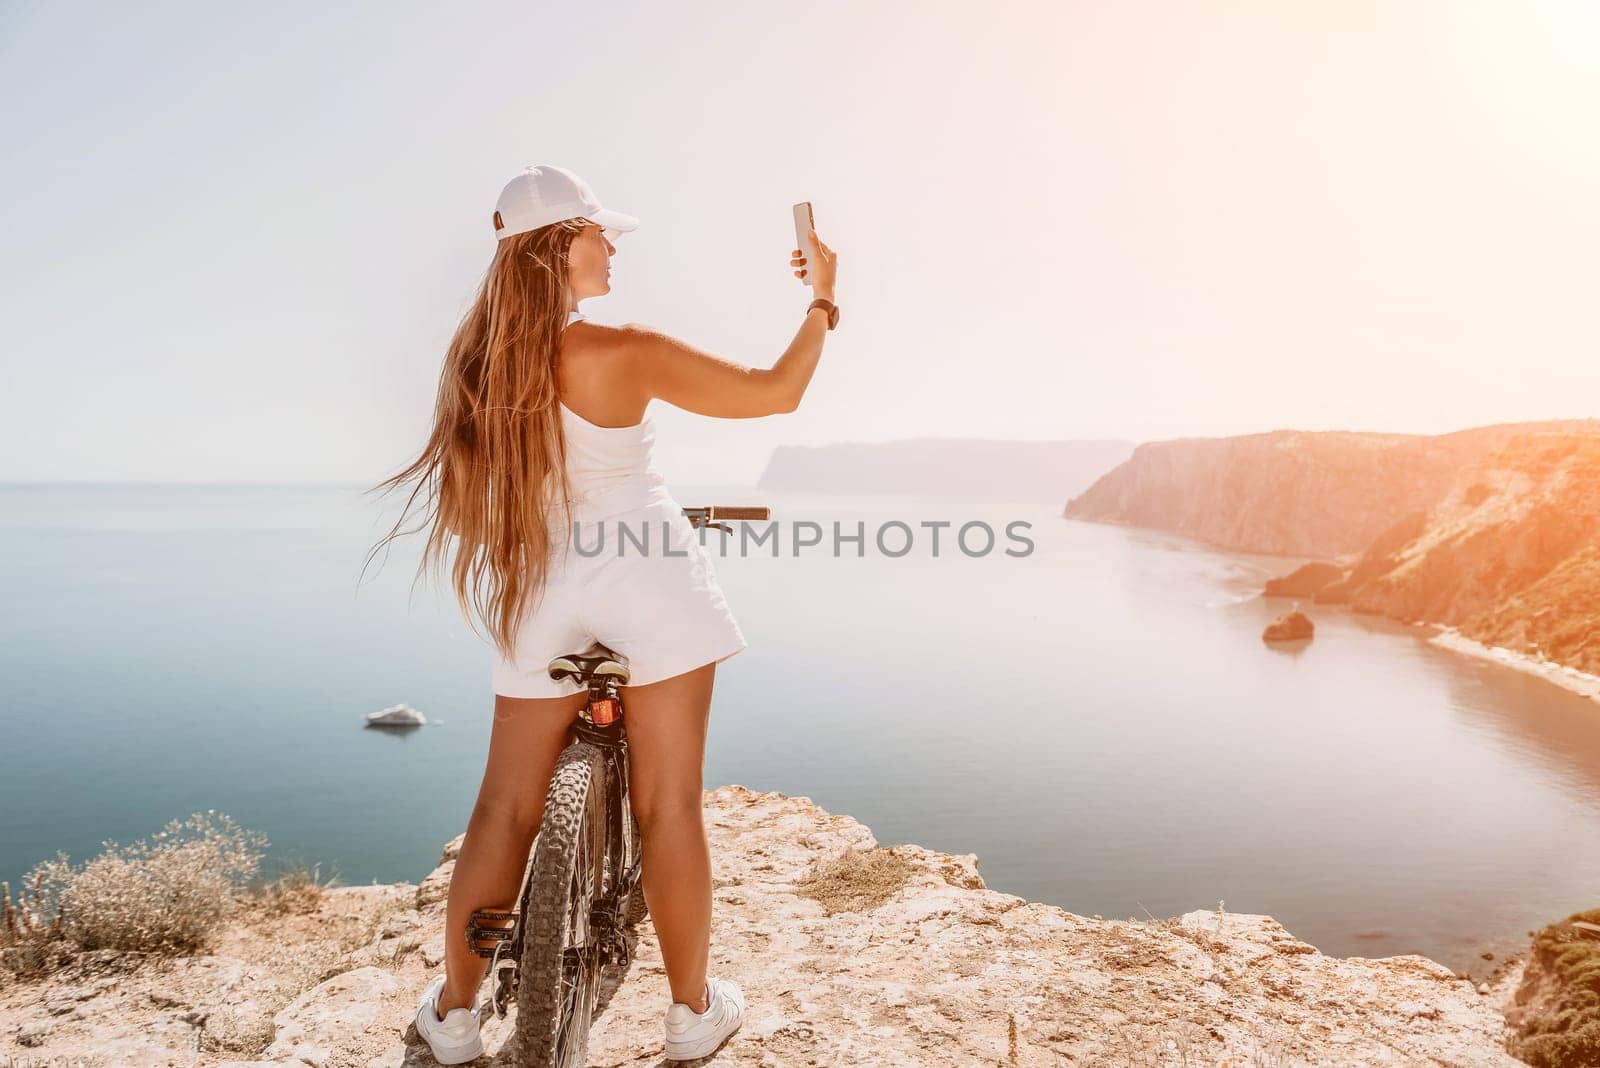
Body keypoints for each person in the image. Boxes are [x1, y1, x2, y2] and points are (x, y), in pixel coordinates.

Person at [364, 164, 838, 1063]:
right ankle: (694, 1015)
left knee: (505, 806)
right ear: (556, 249)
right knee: (669, 805)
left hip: (538, 587)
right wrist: (824, 298)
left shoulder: (476, 369)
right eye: (597, 232)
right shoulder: (619, 350)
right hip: (652, 579)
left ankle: (458, 1019)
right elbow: (776, 391)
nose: (612, 244)